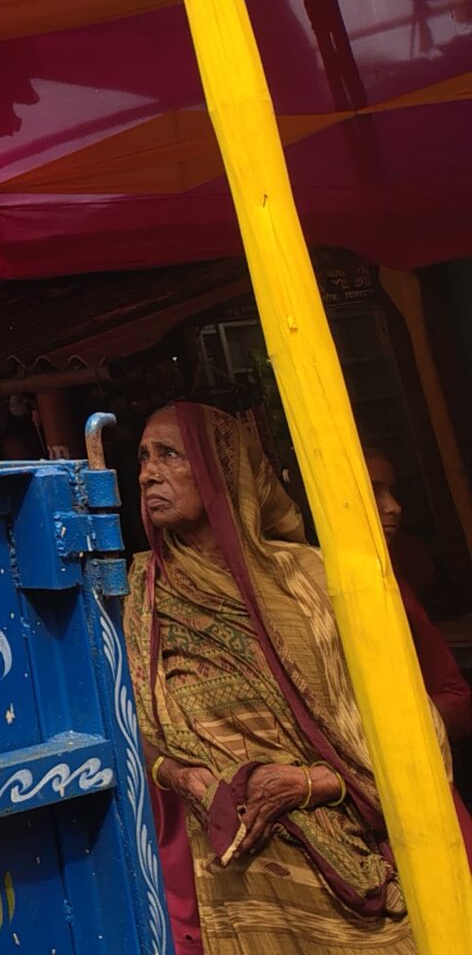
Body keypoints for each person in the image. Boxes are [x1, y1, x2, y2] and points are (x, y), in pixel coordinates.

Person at [128, 402, 439, 950]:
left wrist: (310, 783)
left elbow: (404, 724)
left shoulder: (309, 581)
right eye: (143, 458)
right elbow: (132, 722)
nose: (149, 472)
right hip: (230, 877)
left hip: (344, 855)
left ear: (222, 468)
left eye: (170, 455)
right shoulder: (141, 596)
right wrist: (178, 775)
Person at [365, 446, 472, 748]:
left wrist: (406, 720)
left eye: (392, 492)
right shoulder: (302, 588)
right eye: (374, 491)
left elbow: (457, 698)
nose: (394, 507)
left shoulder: (396, 578)